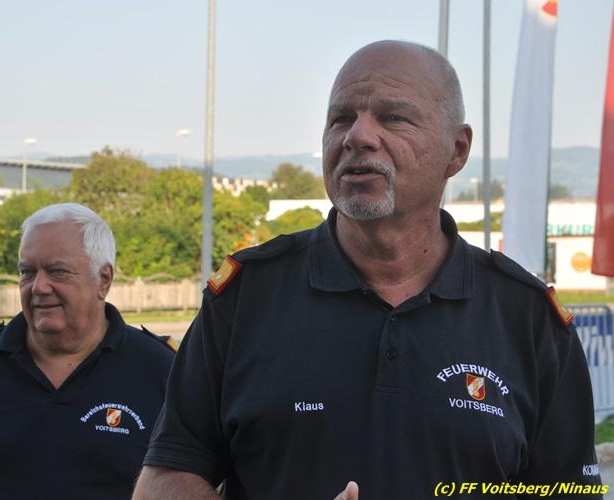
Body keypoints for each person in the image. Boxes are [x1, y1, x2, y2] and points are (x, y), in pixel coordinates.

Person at [133, 41, 603, 499]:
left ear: (457, 150)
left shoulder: (528, 319)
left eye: (393, 117)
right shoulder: (245, 298)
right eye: (341, 118)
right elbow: (165, 477)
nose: (356, 136)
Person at [0, 203, 176, 500]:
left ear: (104, 279)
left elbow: (186, 479)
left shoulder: (160, 369)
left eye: (58, 272)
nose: (39, 287)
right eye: (27, 272)